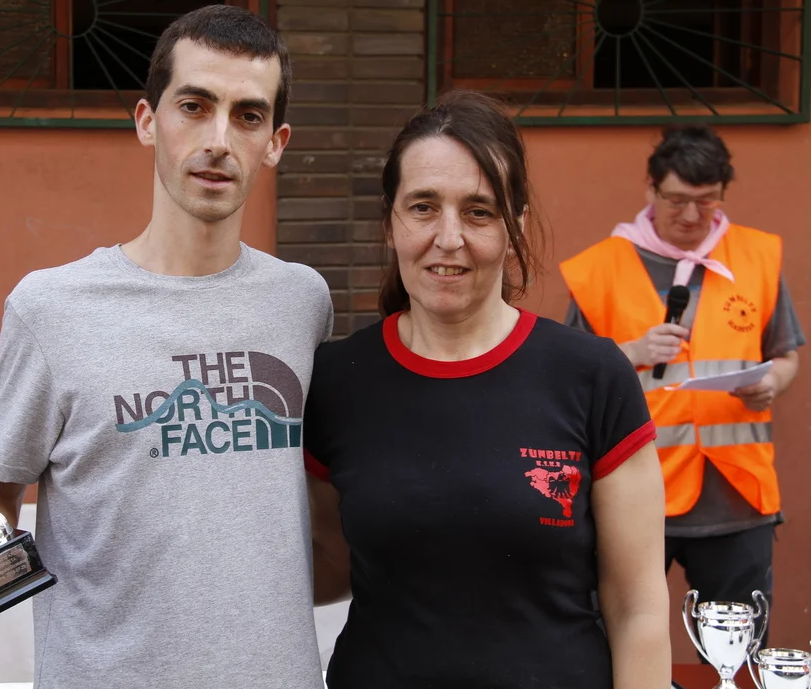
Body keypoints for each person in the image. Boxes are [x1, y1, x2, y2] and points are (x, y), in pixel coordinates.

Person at [0, 5, 333, 688]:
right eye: (193, 106)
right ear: (147, 121)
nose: (219, 140)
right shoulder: (51, 309)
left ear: (276, 142)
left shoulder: (302, 302)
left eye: (248, 116)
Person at [304, 91, 671, 689]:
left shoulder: (591, 374)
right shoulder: (336, 381)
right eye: (423, 207)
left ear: (514, 227)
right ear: (390, 223)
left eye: (478, 211)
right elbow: (328, 566)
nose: (448, 237)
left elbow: (639, 610)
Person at [560, 125, 803, 644]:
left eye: (707, 201)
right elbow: (570, 379)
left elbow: (785, 354)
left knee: (736, 652)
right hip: (631, 496)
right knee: (611, 644)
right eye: (676, 200)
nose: (692, 215)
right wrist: (632, 352)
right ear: (650, 188)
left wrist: (773, 382)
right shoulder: (599, 269)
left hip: (737, 498)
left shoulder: (757, 257)